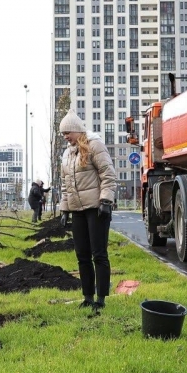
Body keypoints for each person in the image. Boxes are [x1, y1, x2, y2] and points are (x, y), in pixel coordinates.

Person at [58, 110, 117, 313]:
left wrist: (106, 201)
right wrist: (64, 210)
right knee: (82, 255)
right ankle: (88, 297)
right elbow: (65, 184)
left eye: (67, 132)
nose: (65, 137)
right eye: (63, 133)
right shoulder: (67, 154)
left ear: (77, 130)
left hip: (96, 208)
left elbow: (108, 173)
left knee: (98, 254)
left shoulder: (94, 145)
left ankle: (101, 299)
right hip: (77, 211)